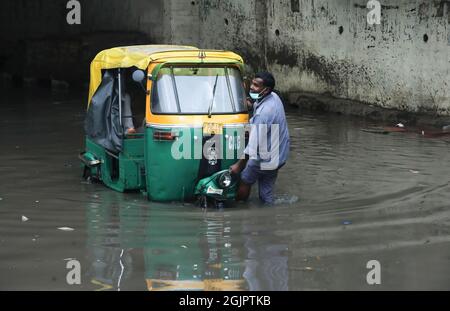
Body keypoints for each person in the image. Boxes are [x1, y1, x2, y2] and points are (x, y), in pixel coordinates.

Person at [230, 72, 290, 204]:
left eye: (256, 85)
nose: (251, 87)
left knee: (245, 179)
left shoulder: (264, 113)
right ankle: (268, 213)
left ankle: (240, 209)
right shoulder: (274, 97)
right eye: (252, 83)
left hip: (265, 156)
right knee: (266, 193)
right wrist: (251, 105)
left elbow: (252, 146)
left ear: (266, 89)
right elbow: (260, 112)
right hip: (279, 154)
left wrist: (238, 165)